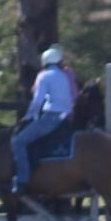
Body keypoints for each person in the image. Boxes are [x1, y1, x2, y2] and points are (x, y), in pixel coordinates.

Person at [11, 45, 75, 196]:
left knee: (18, 142)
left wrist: (28, 116)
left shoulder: (44, 76)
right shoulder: (63, 75)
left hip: (51, 117)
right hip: (65, 117)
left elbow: (38, 101)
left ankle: (22, 180)